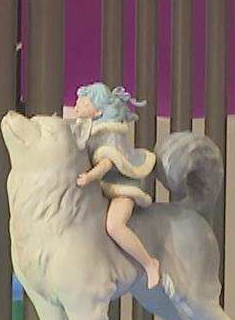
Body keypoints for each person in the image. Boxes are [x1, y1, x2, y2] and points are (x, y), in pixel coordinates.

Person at [68, 82, 167, 291]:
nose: (77, 106)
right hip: (101, 190)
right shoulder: (85, 129)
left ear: (98, 111)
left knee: (114, 225)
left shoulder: (110, 133)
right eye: (78, 102)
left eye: (84, 103)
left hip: (121, 187)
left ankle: (149, 263)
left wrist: (89, 177)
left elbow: (107, 163)